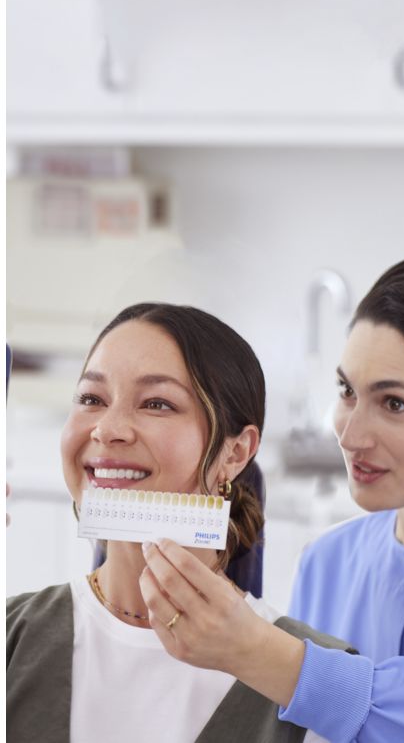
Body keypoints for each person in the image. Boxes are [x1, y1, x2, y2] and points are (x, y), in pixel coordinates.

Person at [7, 302, 351, 743]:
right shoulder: (12, 637)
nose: (108, 429)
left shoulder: (317, 691)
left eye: (157, 403)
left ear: (235, 453)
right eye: (92, 399)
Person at [139, 254, 404, 743]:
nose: (349, 434)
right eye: (346, 391)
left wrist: (261, 652)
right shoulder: (328, 563)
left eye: (394, 403)